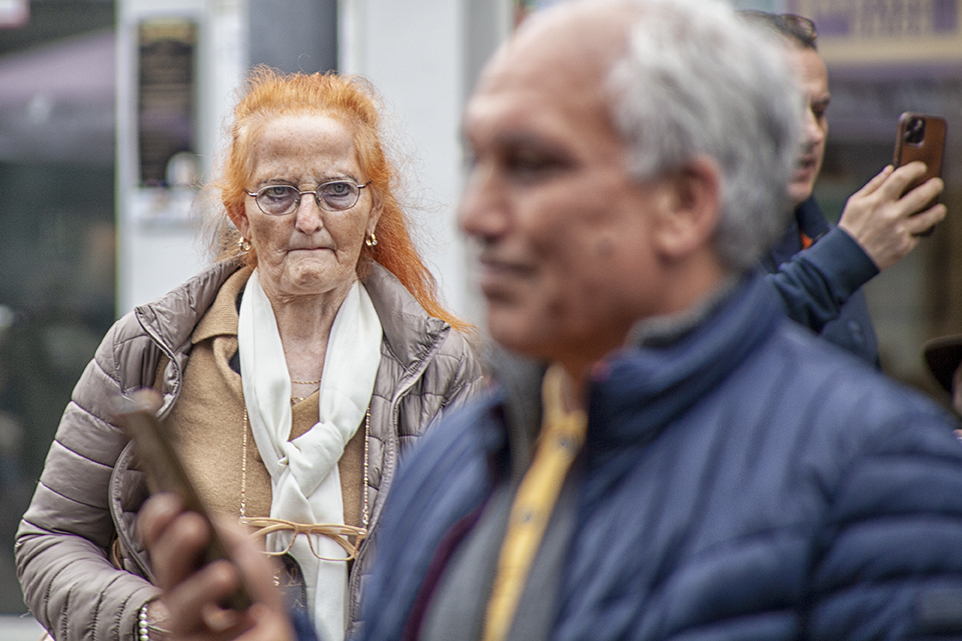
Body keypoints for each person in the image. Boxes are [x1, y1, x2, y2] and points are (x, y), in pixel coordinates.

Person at [138, 1, 962, 640]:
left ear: (683, 202)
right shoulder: (457, 464)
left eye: (533, 165)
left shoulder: (879, 472)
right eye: (478, 162)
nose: (478, 214)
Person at [15, 67, 483, 641]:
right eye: (279, 194)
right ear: (241, 215)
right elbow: (50, 541)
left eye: (337, 190)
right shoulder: (150, 349)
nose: (308, 220)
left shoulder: (438, 367)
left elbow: (480, 557)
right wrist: (150, 619)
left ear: (374, 209)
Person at [743, 11, 946, 366]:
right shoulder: (681, 235)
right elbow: (724, 348)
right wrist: (848, 254)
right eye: (788, 110)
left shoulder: (821, 237)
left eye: (819, 111)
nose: (812, 133)